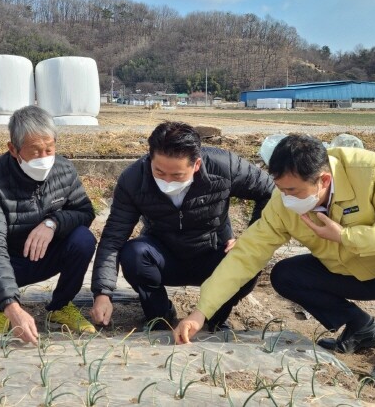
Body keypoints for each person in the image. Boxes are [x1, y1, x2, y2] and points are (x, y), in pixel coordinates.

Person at [173, 134, 375, 389]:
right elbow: (246, 254)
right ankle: (361, 327)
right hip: (349, 270)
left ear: (324, 180)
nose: (286, 198)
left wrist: (346, 236)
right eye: (281, 189)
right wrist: (201, 312)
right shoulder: (283, 204)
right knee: (286, 275)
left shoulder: (371, 173)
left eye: (292, 191)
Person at [90, 121, 274, 331]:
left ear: (196, 165)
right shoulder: (134, 179)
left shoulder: (224, 167)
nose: (167, 181)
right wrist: (103, 293)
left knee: (248, 259)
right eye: (159, 172)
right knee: (134, 253)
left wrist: (250, 237)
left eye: (177, 175)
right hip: (164, 256)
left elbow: (269, 192)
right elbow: (114, 237)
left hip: (213, 255)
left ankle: (215, 318)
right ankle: (160, 316)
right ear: (151, 159)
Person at [0, 105, 97, 345]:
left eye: (49, 149)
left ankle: (61, 306)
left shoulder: (64, 170)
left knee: (83, 240)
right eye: (35, 151)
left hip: (46, 254)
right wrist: (12, 307)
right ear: (13, 149)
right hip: (11, 259)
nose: (44, 158)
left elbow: (84, 212)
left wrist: (53, 223)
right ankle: (0, 310)